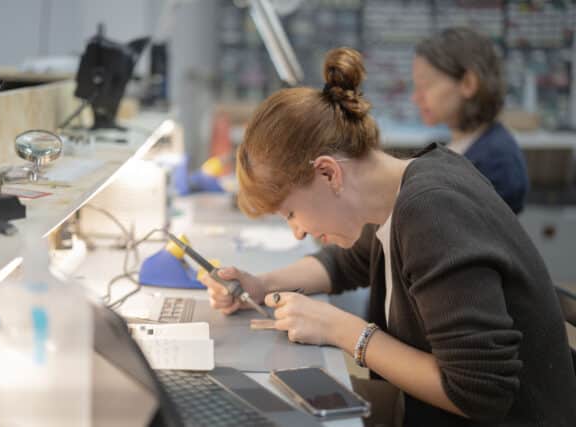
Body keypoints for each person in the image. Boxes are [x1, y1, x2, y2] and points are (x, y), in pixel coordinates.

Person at [200, 47, 576, 426]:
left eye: (291, 214)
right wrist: (261, 284)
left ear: (329, 174)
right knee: (261, 404)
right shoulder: (402, 191)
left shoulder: (432, 213)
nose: (297, 231)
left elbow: (479, 392)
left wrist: (339, 329)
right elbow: (345, 263)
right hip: (424, 408)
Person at [412, 27, 529, 214]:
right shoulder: (456, 145)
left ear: (468, 84)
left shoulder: (498, 163)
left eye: (425, 85)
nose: (416, 98)